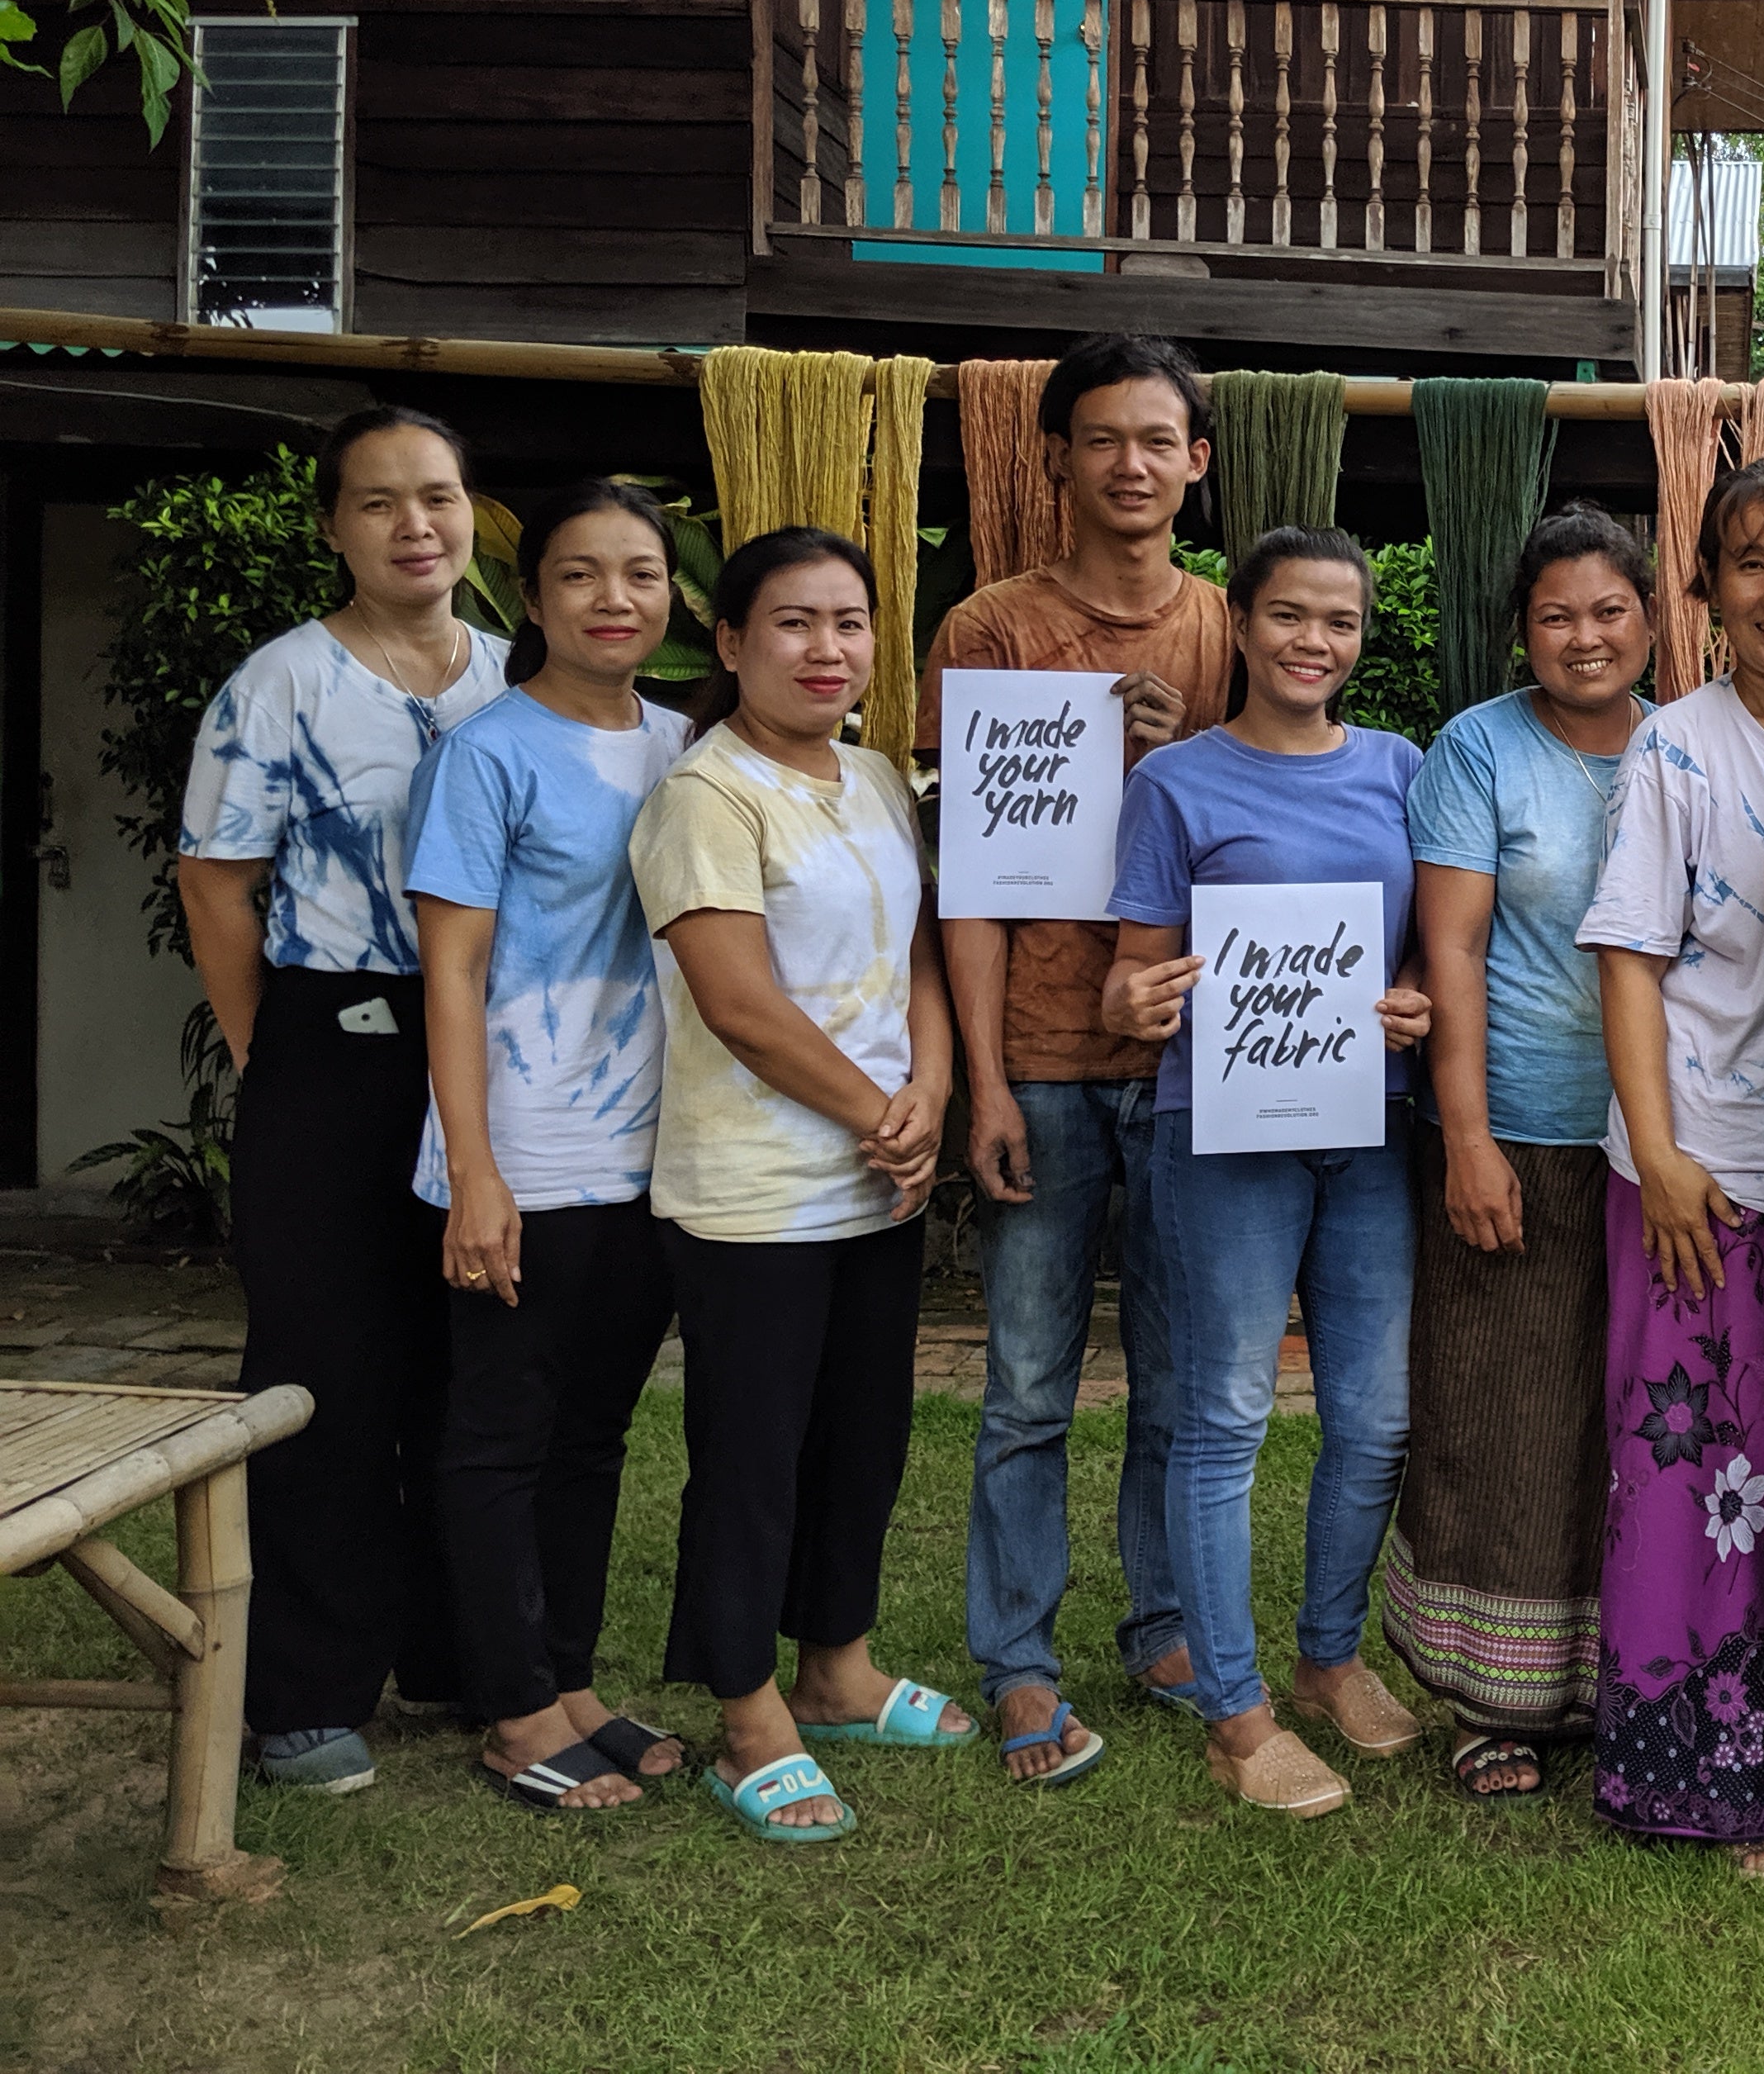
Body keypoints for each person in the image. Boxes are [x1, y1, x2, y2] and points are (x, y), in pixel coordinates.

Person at [178, 405, 509, 1792]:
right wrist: (278, 1055)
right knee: (321, 1370)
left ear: (471, 511)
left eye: (435, 494)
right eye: (377, 502)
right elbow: (215, 878)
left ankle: (463, 1654)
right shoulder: (282, 685)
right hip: (334, 1045)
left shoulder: (524, 677)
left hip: (494, 1061)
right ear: (334, 527)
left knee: (471, 1367)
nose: (413, 524)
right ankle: (306, 1692)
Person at [628, 526, 968, 1843]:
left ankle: (839, 1665)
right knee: (753, 1455)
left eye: (850, 623)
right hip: (756, 1188)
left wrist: (927, 1093)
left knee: (862, 1440)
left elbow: (923, 958)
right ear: (729, 643)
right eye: (793, 624)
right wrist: (879, 1111)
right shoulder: (705, 798)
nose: (828, 650)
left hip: (877, 1175)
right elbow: (738, 1002)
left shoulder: (878, 776)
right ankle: (749, 1712)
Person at [924, 333, 1231, 1782]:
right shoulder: (992, 631)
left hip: (1184, 1055)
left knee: (1179, 1371)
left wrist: (1169, 763)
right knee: (1031, 1379)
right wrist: (983, 1080)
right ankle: (1020, 1659)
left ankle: (1166, 1620)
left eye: (1155, 439)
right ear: (1057, 458)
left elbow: (1256, 831)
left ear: (1196, 463)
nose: (1129, 463)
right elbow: (971, 884)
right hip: (1041, 1056)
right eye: (1100, 438)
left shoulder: (1230, 628)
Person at [1100, 526, 1434, 1820]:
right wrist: (1142, 1000)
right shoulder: (1176, 784)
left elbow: (1435, 945)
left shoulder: (1404, 769)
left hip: (1369, 1128)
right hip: (1220, 1134)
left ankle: (1326, 1658)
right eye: (1290, 616)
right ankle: (1235, 1713)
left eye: (1339, 623)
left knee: (1374, 1416)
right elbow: (1134, 976)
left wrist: (1412, 1003)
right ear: (1238, 625)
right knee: (1225, 1417)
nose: (1315, 643)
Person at [1579, 456, 1764, 1877]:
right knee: (1700, 1467)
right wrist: (1662, 1153)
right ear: (1704, 591)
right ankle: (1705, 1764)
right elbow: (1630, 964)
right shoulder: (1674, 751)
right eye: (1750, 563)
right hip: (1701, 1164)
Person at [412, 481, 693, 1812]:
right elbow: (452, 976)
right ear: (531, 601)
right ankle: (514, 1709)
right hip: (526, 1143)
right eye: (581, 576)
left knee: (592, 1433)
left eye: (640, 574)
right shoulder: (489, 753)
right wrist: (474, 1171)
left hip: (654, 1151)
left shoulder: (690, 746)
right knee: (499, 1434)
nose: (614, 599)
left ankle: (568, 1676)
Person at [1385, 504, 1654, 1801]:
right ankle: (1495, 1702)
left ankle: (1632, 1672)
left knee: (1648, 1417)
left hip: (1671, 1140)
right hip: (1527, 1129)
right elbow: (1455, 954)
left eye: (1609, 610)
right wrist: (1471, 1139)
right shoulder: (1477, 750)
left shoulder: (1696, 745)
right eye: (1557, 616)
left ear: (1655, 619)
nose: (1585, 637)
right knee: (1507, 1410)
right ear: (1520, 633)